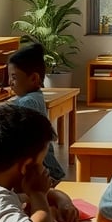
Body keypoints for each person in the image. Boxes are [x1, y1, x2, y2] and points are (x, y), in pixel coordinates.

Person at [7, 42, 67, 184]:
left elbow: (27, 142)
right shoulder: (34, 96)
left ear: (34, 78)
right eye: (9, 77)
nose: (10, 82)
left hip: (40, 169)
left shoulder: (27, 102)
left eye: (14, 77)